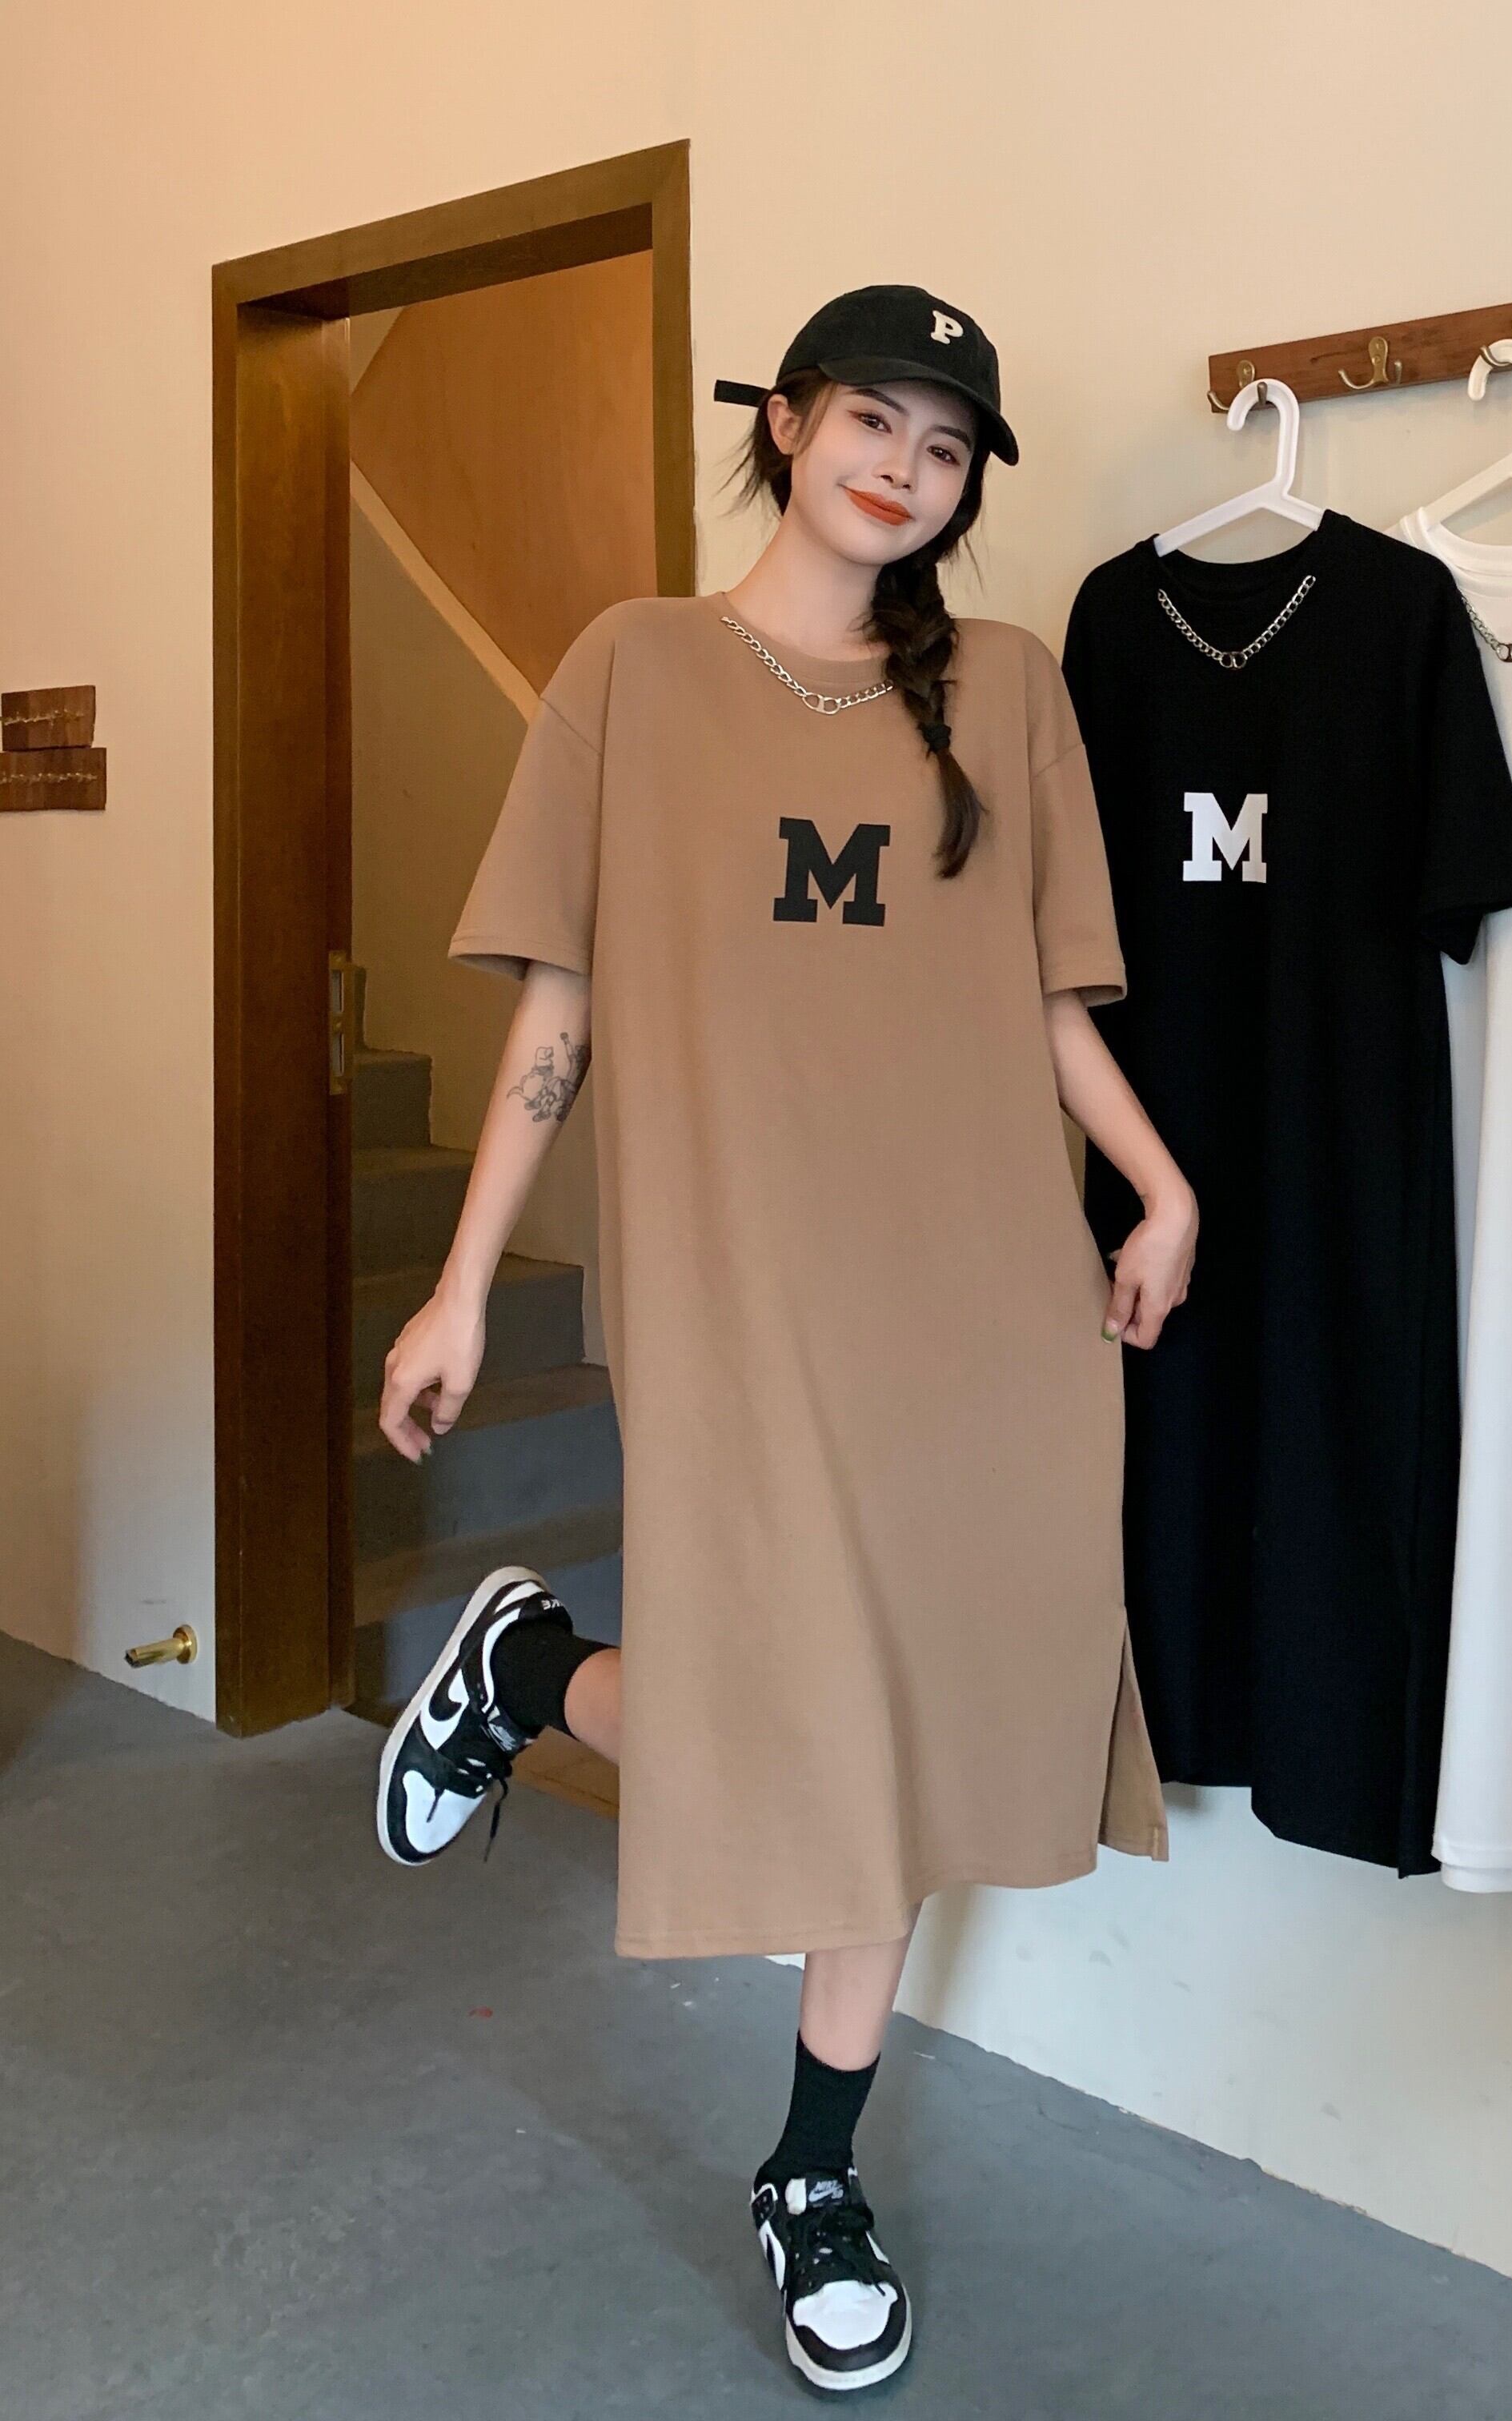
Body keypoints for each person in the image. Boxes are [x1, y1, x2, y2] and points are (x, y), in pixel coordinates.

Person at [367, 285, 1195, 2398]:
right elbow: (554, 1005)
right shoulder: (634, 669)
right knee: (798, 1714)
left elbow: (1044, 996)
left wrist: (1158, 1185)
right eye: (874, 420)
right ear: (789, 423)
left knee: (923, 1718)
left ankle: (812, 2168)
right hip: (744, 1284)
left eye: (947, 444)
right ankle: (536, 1677)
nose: (905, 468)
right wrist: (462, 1282)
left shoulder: (1006, 688)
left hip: (985, 1296)